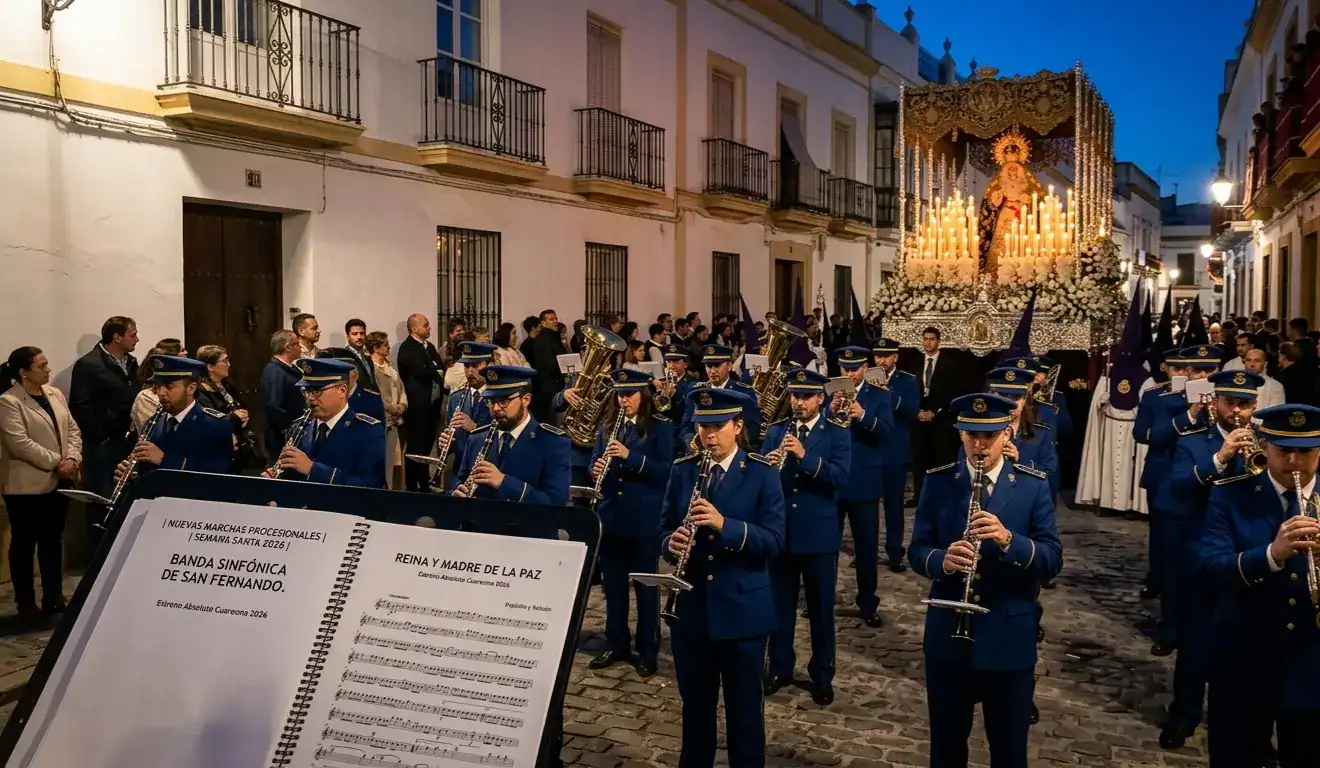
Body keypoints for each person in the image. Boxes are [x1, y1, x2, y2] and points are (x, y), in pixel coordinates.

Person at [908, 392, 1062, 768]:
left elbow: (1052, 558)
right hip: (948, 640)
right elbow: (917, 550)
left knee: (1009, 751)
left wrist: (1009, 540)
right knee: (946, 748)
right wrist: (942, 560)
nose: (979, 445)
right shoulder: (941, 482)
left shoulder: (1031, 485)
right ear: (960, 434)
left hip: (1007, 637)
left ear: (1006, 433)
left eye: (989, 436)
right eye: (971, 435)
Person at [661, 387, 784, 767]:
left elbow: (775, 539)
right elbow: (663, 528)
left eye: (717, 426)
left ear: (737, 426)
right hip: (692, 611)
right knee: (695, 712)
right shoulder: (684, 470)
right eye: (702, 426)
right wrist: (671, 543)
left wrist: (723, 525)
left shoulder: (762, 473)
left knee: (745, 716)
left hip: (743, 612)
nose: (708, 435)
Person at [1198, 403, 1320, 767]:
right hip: (1245, 658)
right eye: (1284, 451)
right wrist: (1271, 554)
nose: (1295, 461)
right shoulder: (1229, 494)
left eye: (1307, 452)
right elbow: (1211, 570)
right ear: (1265, 446)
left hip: (1312, 664)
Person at [1161, 366, 1263, 750]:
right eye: (1230, 403)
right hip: (1201, 553)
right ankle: (1183, 715)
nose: (1236, 411)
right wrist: (1220, 457)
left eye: (1245, 404)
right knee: (1195, 644)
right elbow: (1179, 485)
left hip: (1248, 553)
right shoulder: (1194, 442)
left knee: (1250, 646)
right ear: (1215, 402)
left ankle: (1249, 723)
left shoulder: (1264, 441)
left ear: (1254, 406)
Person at [761, 369, 850, 705]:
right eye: (795, 397)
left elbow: (840, 477)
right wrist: (768, 469)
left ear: (820, 399)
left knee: (820, 609)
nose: (799, 403)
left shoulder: (836, 434)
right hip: (781, 534)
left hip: (818, 535)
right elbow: (762, 483)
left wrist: (804, 457)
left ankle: (822, 674)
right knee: (779, 607)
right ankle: (780, 666)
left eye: (806, 397)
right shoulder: (774, 432)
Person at [586, 369, 675, 678]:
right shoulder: (608, 425)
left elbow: (666, 472)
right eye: (620, 395)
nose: (624, 400)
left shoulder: (660, 428)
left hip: (643, 518)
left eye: (630, 395)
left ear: (643, 395)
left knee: (646, 588)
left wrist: (630, 457)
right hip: (611, 517)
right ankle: (617, 642)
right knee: (613, 586)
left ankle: (648, 648)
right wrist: (595, 465)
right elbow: (595, 460)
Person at [0, 347, 82, 618]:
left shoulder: (54, 393)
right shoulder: (9, 402)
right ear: (23, 372)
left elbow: (72, 428)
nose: (48, 370)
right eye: (42, 366)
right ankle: (25, 602)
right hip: (26, 486)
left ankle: (53, 596)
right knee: (24, 543)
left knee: (52, 541)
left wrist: (72, 458)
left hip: (59, 480)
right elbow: (20, 443)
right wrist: (56, 461)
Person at [832, 346, 894, 625]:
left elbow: (887, 433)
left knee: (866, 547)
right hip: (832, 479)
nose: (849, 373)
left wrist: (864, 415)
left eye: (854, 368)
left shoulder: (879, 395)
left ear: (864, 368)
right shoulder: (828, 394)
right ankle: (822, 599)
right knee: (827, 546)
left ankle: (868, 603)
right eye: (845, 368)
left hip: (864, 482)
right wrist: (828, 413)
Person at [450, 365, 571, 507]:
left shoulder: (552, 442)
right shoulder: (477, 439)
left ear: (526, 400)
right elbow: (461, 482)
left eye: (504, 401)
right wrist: (457, 495)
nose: (495, 408)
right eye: (491, 401)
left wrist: (504, 482)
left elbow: (556, 505)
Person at [69, 317, 140, 545]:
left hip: (129, 443)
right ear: (117, 338)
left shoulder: (131, 363)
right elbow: (80, 405)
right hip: (104, 445)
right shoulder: (88, 365)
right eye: (132, 334)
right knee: (102, 501)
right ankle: (97, 559)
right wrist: (103, 436)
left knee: (127, 499)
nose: (137, 339)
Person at [113, 355, 234, 485]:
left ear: (191, 388)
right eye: (157, 387)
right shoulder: (153, 422)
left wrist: (164, 459)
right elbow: (147, 471)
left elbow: (216, 477)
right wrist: (133, 476)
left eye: (169, 386)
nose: (161, 393)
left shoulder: (215, 424)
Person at [266, 358, 386, 488]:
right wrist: (276, 482)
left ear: (342, 390)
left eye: (317, 391)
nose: (310, 398)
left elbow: (369, 487)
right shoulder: (298, 427)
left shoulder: (368, 431)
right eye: (306, 391)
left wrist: (313, 470)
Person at [678, 344, 761, 452]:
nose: (712, 371)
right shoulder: (696, 392)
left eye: (717, 366)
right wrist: (690, 441)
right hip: (700, 451)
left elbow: (752, 429)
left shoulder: (743, 392)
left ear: (729, 366)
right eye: (708, 366)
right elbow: (686, 425)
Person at [397, 314, 446, 493]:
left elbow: (440, 367)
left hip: (431, 406)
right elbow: (421, 371)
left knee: (426, 446)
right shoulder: (407, 348)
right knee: (415, 448)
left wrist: (432, 367)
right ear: (415, 329)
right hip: (416, 407)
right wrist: (432, 368)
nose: (430, 328)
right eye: (426, 325)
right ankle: (412, 486)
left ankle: (424, 483)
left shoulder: (430, 347)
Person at [436, 341, 495, 488]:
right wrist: (445, 445)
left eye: (475, 366)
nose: (470, 372)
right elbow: (452, 442)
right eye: (467, 366)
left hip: (489, 473)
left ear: (489, 365)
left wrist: (474, 427)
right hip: (459, 475)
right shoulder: (456, 398)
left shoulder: (499, 399)